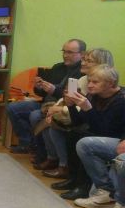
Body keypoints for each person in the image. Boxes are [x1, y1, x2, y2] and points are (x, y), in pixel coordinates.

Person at [40, 48, 113, 179]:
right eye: (84, 59)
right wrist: (62, 106)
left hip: (97, 127)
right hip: (84, 119)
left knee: (71, 131)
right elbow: (73, 105)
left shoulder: (109, 93)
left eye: (88, 61)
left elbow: (96, 121)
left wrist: (61, 109)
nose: (83, 63)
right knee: (51, 123)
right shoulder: (83, 79)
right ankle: (60, 165)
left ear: (102, 64)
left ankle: (66, 168)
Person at [58, 65, 125, 201]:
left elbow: (105, 130)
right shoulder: (94, 95)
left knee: (84, 139)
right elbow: (77, 122)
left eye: (95, 82)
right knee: (73, 133)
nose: (89, 85)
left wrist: (88, 109)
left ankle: (87, 186)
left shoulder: (121, 100)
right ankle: (74, 179)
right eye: (89, 81)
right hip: (100, 132)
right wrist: (71, 106)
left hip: (117, 139)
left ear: (110, 83)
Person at [6, 39, 84, 155]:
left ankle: (41, 151)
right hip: (44, 103)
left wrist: (54, 91)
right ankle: (27, 143)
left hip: (62, 106)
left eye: (70, 52)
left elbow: (72, 98)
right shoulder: (57, 67)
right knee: (13, 107)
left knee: (35, 115)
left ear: (81, 54)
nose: (65, 55)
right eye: (64, 51)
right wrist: (39, 87)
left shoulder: (82, 72)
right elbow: (43, 93)